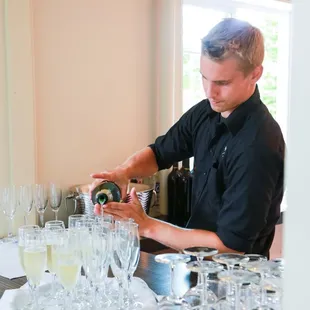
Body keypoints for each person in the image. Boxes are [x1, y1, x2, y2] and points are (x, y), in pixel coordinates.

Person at [90, 18, 284, 257]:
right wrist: (124, 172)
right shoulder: (206, 111)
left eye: (222, 83)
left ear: (255, 74)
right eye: (204, 77)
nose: (209, 92)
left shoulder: (258, 145)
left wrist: (148, 225)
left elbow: (231, 247)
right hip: (197, 266)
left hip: (237, 283)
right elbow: (159, 153)